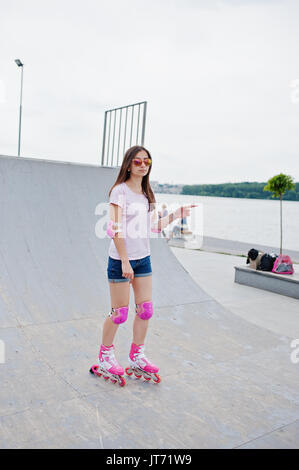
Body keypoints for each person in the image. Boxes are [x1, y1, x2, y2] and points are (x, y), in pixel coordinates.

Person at [90, 145, 195, 386]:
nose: (143, 165)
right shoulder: (119, 192)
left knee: (145, 309)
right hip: (120, 260)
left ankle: (137, 356)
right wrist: (125, 260)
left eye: (147, 161)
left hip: (143, 259)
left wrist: (177, 214)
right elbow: (114, 229)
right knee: (119, 314)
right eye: (137, 162)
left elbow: (154, 227)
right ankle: (105, 355)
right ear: (128, 165)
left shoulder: (146, 194)